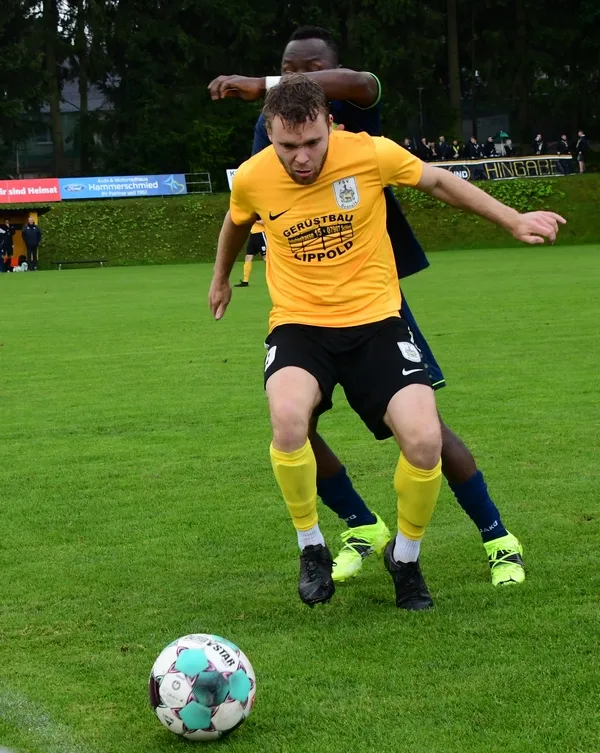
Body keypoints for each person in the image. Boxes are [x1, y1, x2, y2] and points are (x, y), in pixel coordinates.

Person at [208, 76, 565, 610]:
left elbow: (439, 182)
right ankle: (311, 547)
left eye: (312, 143)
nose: (301, 158)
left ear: (330, 125)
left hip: (377, 323)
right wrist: (220, 278)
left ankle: (406, 558)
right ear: (271, 135)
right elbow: (236, 222)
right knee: (288, 419)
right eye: (287, 146)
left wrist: (513, 219)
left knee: (424, 440)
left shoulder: (370, 153)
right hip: (300, 326)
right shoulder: (255, 175)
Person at [234, 219, 267, 287]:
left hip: (260, 235)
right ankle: (245, 281)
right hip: (253, 236)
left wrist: (254, 220)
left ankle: (274, 279)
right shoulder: (252, 214)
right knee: (248, 257)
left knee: (266, 258)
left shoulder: (260, 214)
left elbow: (264, 222)